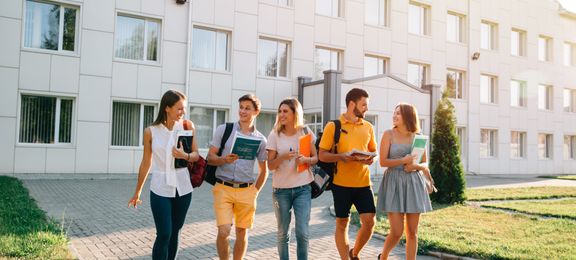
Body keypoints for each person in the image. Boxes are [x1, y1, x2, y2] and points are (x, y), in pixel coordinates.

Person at [128, 90, 200, 260]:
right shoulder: (150, 131)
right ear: (167, 108)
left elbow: (196, 155)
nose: (183, 112)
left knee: (175, 232)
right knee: (164, 233)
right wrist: (137, 191)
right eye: (179, 108)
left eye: (184, 108)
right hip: (160, 187)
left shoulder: (187, 126)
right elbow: (146, 163)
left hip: (183, 188)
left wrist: (185, 156)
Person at [207, 94, 268, 260]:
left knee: (242, 233)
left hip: (246, 190)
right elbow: (210, 158)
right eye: (241, 107)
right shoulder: (224, 130)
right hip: (223, 187)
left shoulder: (261, 140)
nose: (243, 111)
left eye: (247, 108)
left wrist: (255, 191)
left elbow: (264, 170)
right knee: (224, 231)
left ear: (256, 111)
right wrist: (223, 159)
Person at [318, 88, 378, 260]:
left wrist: (370, 159)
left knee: (369, 222)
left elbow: (373, 150)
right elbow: (322, 155)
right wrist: (341, 157)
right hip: (341, 184)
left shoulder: (368, 127)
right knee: (342, 223)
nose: (366, 108)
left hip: (364, 183)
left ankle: (355, 253)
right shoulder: (333, 126)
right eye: (363, 104)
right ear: (352, 104)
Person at [376, 103, 432, 260]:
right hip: (393, 182)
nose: (394, 116)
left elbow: (426, 163)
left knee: (412, 232)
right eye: (394, 113)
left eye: (398, 114)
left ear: (408, 116)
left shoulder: (418, 137)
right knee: (397, 231)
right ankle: (383, 257)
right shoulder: (388, 134)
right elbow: (383, 161)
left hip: (414, 184)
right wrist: (403, 160)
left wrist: (415, 166)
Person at [266, 98, 318, 260]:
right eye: (280, 111)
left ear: (295, 113)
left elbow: (316, 158)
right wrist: (282, 157)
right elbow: (270, 166)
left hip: (303, 188)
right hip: (281, 191)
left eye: (285, 111)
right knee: (283, 233)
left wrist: (306, 160)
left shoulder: (306, 132)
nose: (281, 114)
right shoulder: (275, 134)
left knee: (302, 232)